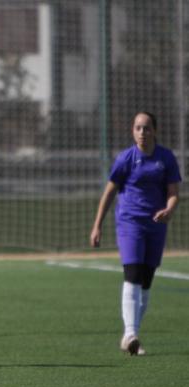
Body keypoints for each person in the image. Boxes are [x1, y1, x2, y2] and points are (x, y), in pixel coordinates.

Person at [90, 111, 181, 356]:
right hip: (130, 222)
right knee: (132, 274)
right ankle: (130, 332)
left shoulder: (166, 158)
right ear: (132, 131)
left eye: (147, 128)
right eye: (138, 128)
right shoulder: (125, 159)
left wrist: (169, 209)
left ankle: (131, 337)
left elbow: (173, 192)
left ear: (155, 131)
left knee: (147, 281)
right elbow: (109, 193)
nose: (142, 132)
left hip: (156, 225)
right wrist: (97, 224)